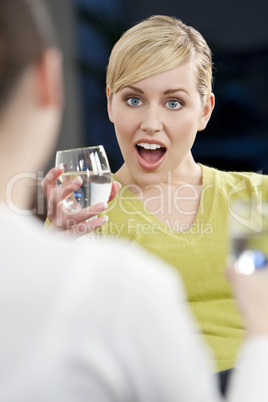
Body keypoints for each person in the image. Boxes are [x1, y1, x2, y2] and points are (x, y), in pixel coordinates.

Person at [6, 2, 266, 400]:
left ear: (205, 111)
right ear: (110, 103)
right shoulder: (81, 214)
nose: (150, 122)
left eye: (174, 102)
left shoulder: (255, 199)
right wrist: (62, 247)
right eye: (133, 99)